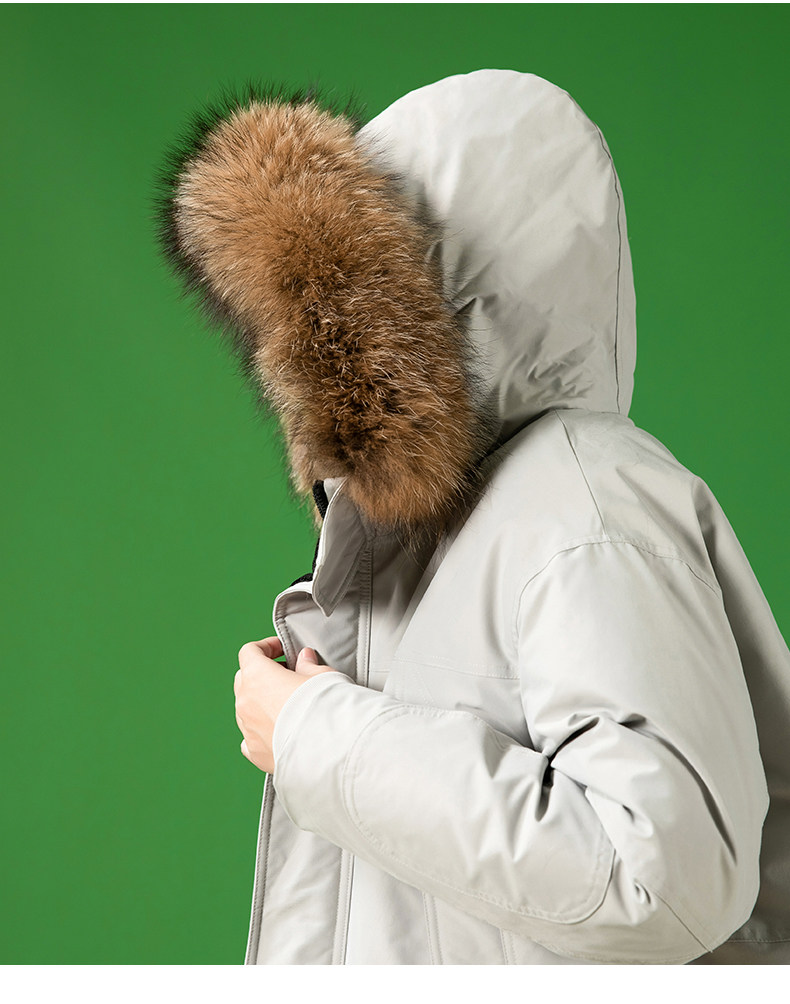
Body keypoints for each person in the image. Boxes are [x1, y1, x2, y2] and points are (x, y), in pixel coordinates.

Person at [156, 69, 790, 964]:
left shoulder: (587, 503)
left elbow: (662, 879)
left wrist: (314, 733)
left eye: (343, 304)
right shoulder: (444, 529)